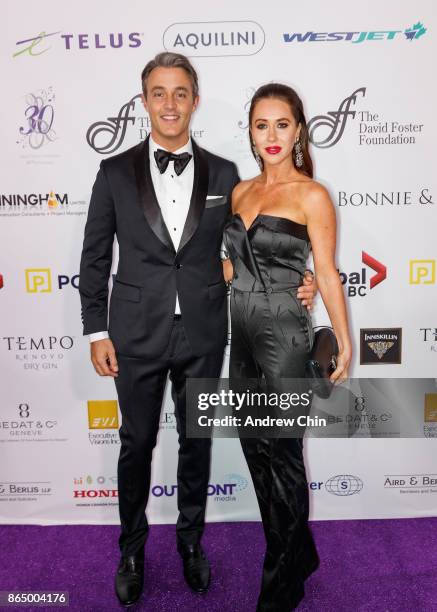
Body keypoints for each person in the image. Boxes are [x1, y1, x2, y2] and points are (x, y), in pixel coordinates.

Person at [79, 54, 316, 607]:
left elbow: (250, 252)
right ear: (143, 102)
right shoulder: (114, 172)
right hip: (133, 333)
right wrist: (96, 331)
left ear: (195, 100)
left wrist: (300, 281)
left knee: (196, 443)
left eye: (180, 93)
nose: (169, 104)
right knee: (136, 444)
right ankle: (131, 550)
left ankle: (190, 543)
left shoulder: (227, 175)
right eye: (158, 93)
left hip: (205, 333)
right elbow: (94, 258)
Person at [223, 83, 352, 611]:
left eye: (282, 124)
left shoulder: (311, 195)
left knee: (285, 460)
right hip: (243, 341)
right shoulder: (240, 191)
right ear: (251, 134)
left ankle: (280, 582)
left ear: (298, 130)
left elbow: (325, 271)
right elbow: (232, 262)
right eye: (261, 125)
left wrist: (343, 339)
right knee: (256, 456)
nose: (271, 136)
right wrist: (226, 269)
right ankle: (301, 551)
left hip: (286, 341)